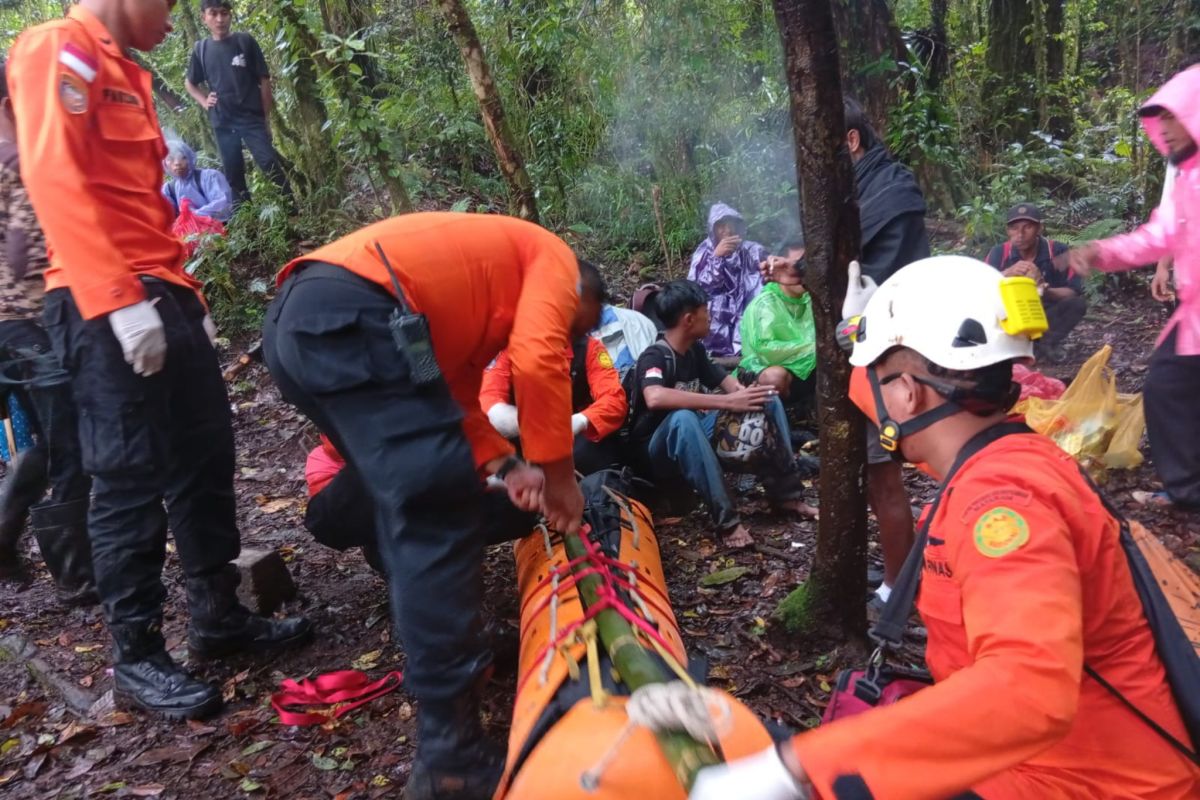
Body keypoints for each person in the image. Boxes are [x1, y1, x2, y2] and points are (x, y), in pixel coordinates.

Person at [690, 255, 1200, 800]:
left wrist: (795, 766)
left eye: (886, 379)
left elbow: (1028, 693)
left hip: (1082, 781)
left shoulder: (1002, 502)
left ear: (909, 393)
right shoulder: (998, 454)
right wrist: (857, 333)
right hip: (1035, 762)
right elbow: (891, 400)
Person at [9, 0, 312, 721]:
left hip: (162, 289)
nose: (175, 18)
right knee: (126, 474)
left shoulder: (129, 72)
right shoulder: (59, 48)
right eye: (169, 4)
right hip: (96, 297)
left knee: (205, 454)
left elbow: (143, 207)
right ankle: (139, 657)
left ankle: (217, 613)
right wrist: (115, 298)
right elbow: (53, 178)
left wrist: (188, 297)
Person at [262, 212, 597, 800]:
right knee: (435, 508)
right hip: (351, 317)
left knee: (431, 489)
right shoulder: (554, 259)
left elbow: (453, 404)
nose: (571, 341)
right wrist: (560, 474)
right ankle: (452, 755)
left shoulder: (463, 310)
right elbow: (540, 357)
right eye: (576, 327)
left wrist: (509, 465)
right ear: (579, 298)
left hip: (307, 327)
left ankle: (451, 649)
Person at [1069, 65, 1200, 510]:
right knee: (1168, 387)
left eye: (1173, 118)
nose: (1164, 130)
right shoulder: (1186, 177)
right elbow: (1161, 235)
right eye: (1159, 120)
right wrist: (1101, 253)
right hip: (1194, 314)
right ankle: (1187, 489)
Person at [0, 60, 95, 605]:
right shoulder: (17, 161)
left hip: (10, 331)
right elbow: (27, 253)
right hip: (30, 324)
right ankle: (75, 576)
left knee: (41, 441)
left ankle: (5, 538)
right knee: (70, 446)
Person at [628, 280, 816, 549]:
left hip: (694, 437)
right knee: (683, 418)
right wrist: (726, 402)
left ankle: (787, 495)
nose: (711, 316)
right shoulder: (655, 356)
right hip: (656, 456)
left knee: (767, 398)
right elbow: (654, 397)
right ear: (689, 320)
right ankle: (727, 521)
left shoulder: (695, 352)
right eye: (707, 311)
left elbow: (732, 387)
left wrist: (746, 395)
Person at [844, 96, 930, 603]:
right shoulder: (861, 190)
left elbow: (878, 277)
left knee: (882, 477)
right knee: (869, 476)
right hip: (861, 352)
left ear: (851, 141)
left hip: (888, 353)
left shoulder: (891, 191)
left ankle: (901, 586)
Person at [482, 264, 628, 476]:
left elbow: (614, 399)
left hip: (572, 442)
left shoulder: (590, 349)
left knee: (593, 453)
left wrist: (577, 421)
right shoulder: (510, 349)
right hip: (522, 439)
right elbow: (489, 400)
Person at [184, 0, 292, 206]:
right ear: (203, 17)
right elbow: (190, 83)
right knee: (233, 173)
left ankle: (292, 211)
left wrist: (266, 118)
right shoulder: (202, 49)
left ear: (230, 15)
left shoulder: (245, 41)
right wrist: (204, 100)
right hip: (223, 121)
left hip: (251, 118)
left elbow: (264, 79)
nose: (219, 19)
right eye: (213, 14)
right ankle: (249, 224)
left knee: (268, 162)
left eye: (224, 13)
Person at [984, 202, 1085, 362]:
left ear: (1039, 228)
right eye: (1014, 228)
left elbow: (1073, 291)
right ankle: (1010, 346)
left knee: (1077, 304)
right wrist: (1006, 273)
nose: (1020, 234)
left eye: (1027, 227)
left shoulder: (1057, 251)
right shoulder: (999, 252)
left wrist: (1045, 289)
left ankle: (1044, 344)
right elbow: (981, 286)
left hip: (1044, 315)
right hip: (1010, 317)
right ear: (1007, 231)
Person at [738, 235, 816, 410]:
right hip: (765, 370)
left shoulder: (814, 297)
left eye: (805, 265)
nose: (802, 271)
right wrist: (815, 347)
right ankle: (787, 413)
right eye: (797, 265)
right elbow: (767, 350)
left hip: (809, 367)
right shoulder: (764, 304)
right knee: (775, 377)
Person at [688, 203, 767, 360]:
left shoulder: (751, 249)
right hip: (717, 310)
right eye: (721, 227)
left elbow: (768, 277)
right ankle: (715, 355)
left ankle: (747, 351)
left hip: (745, 304)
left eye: (730, 225)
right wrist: (716, 258)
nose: (727, 231)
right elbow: (696, 288)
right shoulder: (704, 251)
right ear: (713, 229)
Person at [161, 138, 233, 222]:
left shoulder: (210, 177)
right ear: (164, 163)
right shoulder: (168, 190)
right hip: (186, 234)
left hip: (218, 231)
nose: (177, 163)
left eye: (183, 158)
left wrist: (193, 216)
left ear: (190, 158)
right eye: (170, 159)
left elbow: (223, 204)